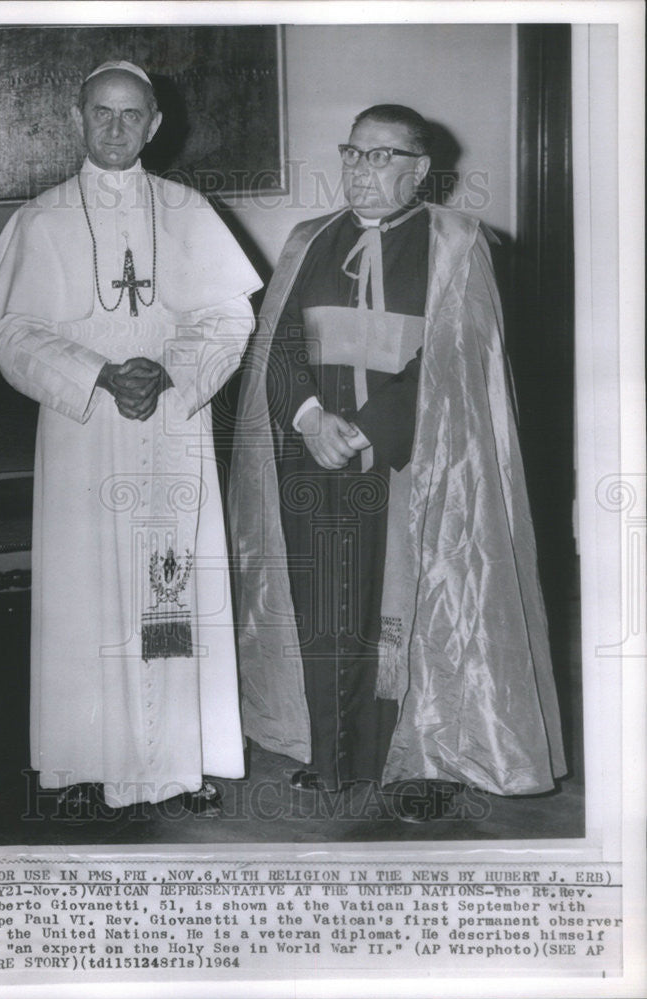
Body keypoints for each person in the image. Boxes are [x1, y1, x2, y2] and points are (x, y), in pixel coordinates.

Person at [229, 104, 566, 815]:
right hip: (315, 459)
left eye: (380, 156)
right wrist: (311, 418)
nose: (360, 169)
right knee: (328, 608)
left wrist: (366, 429)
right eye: (353, 152)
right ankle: (333, 756)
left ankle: (420, 759)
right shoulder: (306, 240)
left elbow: (455, 361)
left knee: (413, 607)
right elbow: (278, 345)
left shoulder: (458, 242)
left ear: (419, 170)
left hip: (415, 461)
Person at [0, 60, 261, 813]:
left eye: (133, 115)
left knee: (174, 590)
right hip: (84, 431)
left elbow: (230, 318)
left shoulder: (188, 209)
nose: (117, 128)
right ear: (77, 117)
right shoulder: (42, 218)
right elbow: (14, 334)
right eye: (103, 112)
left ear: (156, 126)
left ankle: (182, 765)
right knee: (83, 597)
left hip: (172, 425)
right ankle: (81, 764)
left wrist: (168, 373)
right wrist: (98, 372)